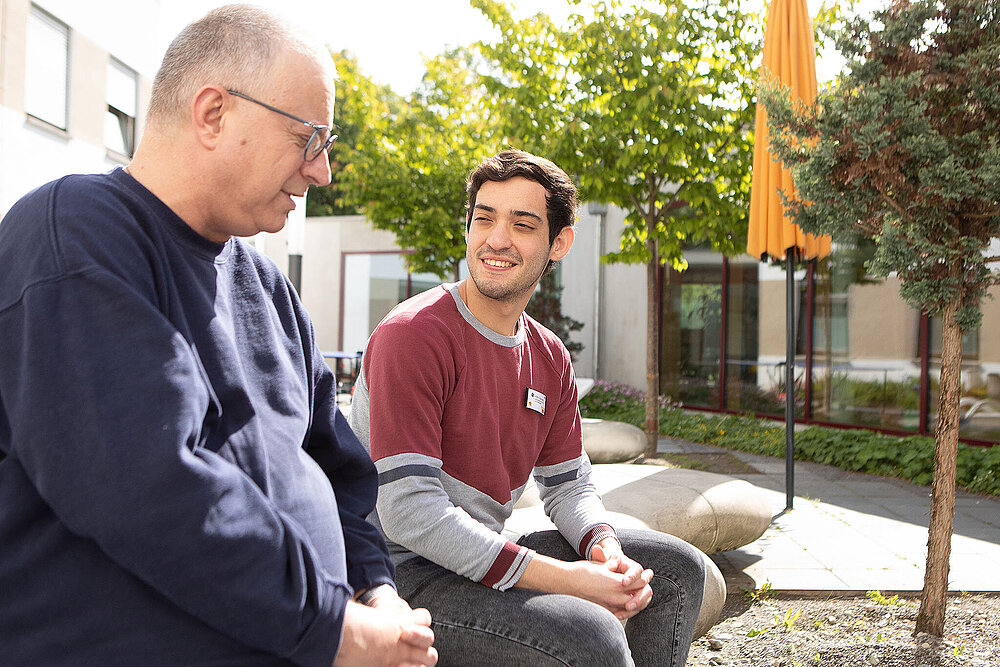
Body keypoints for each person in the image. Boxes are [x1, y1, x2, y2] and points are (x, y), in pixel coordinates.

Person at [0, 6, 435, 667]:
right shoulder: (74, 236)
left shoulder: (269, 287)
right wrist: (337, 631)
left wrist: (377, 590)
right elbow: (150, 489)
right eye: (309, 138)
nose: (322, 172)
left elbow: (338, 466)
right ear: (212, 113)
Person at [349, 149, 706, 666]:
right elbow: (407, 514)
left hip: (478, 553)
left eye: (522, 224)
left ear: (559, 242)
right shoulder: (413, 336)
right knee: (592, 636)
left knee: (676, 571)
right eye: (484, 218)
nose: (496, 239)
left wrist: (604, 551)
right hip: (398, 573)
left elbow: (569, 485)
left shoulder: (549, 355)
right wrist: (566, 579)